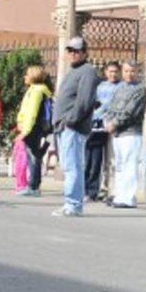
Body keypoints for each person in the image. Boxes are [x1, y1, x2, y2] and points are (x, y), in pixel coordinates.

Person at [52, 36, 101, 217]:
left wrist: (70, 121)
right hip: (64, 127)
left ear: (85, 53)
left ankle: (73, 204)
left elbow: (84, 101)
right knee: (70, 166)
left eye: (77, 51)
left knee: (73, 166)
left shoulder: (87, 71)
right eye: (70, 50)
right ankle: (72, 203)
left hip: (73, 127)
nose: (73, 54)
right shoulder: (73, 71)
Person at [103, 61, 146, 209]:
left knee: (129, 165)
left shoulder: (140, 90)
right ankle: (119, 195)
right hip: (117, 134)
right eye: (126, 71)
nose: (129, 74)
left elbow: (130, 111)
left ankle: (127, 198)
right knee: (119, 166)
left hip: (131, 132)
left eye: (132, 71)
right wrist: (107, 121)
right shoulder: (120, 88)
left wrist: (115, 123)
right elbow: (110, 106)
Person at [14, 64, 53, 197]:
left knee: (34, 156)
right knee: (34, 156)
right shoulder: (38, 89)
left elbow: (32, 112)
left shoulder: (36, 91)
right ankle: (33, 185)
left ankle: (34, 186)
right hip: (35, 128)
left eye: (27, 74)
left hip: (34, 128)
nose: (25, 77)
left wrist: (25, 131)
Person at [85, 60, 121, 202]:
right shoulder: (100, 87)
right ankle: (93, 190)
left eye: (115, 72)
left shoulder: (121, 87)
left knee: (111, 161)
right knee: (94, 161)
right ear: (106, 73)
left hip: (113, 126)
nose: (113, 74)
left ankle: (110, 190)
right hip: (97, 126)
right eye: (110, 72)